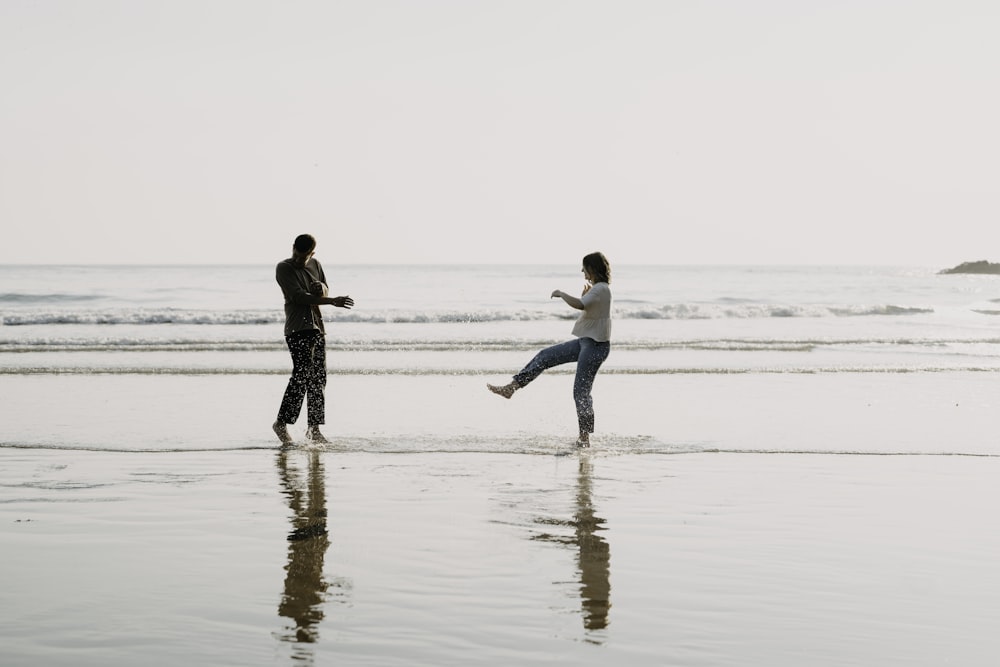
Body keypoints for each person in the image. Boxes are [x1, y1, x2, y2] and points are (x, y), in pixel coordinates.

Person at [487, 252, 612, 447]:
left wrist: (562, 294)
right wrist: (585, 298)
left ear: (592, 269)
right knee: (545, 356)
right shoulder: (598, 289)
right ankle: (511, 388)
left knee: (581, 392)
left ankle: (584, 438)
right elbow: (588, 307)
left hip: (595, 345)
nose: (582, 271)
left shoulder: (602, 289)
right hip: (585, 342)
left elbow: (579, 305)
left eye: (584, 267)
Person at [273, 234, 354, 445]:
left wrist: (321, 289)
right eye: (297, 256)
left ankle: (314, 429)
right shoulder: (284, 268)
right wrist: (331, 301)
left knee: (318, 378)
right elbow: (298, 297)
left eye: (304, 257)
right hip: (297, 329)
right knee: (301, 375)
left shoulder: (316, 264)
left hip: (317, 328)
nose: (299, 261)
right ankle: (281, 423)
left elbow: (325, 288)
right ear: (293, 249)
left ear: (312, 254)